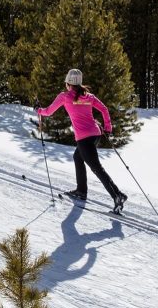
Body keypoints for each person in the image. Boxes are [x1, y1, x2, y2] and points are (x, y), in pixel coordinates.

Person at [36, 68, 128, 213]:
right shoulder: (89, 96)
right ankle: (81, 190)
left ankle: (117, 195)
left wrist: (38, 110)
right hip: (96, 134)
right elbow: (104, 109)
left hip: (84, 138)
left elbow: (48, 112)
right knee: (77, 157)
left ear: (68, 83)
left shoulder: (64, 96)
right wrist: (108, 128)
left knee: (97, 168)